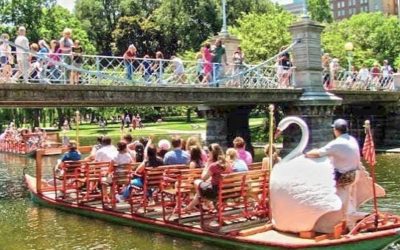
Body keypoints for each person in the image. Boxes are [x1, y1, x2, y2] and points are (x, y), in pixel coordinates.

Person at [184, 143, 232, 212]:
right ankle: (200, 204)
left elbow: (203, 178)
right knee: (201, 190)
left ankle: (201, 202)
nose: (208, 155)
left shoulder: (214, 166)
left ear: (212, 153)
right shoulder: (228, 163)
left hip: (216, 192)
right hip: (227, 191)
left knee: (197, 182)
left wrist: (207, 166)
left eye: (209, 153)